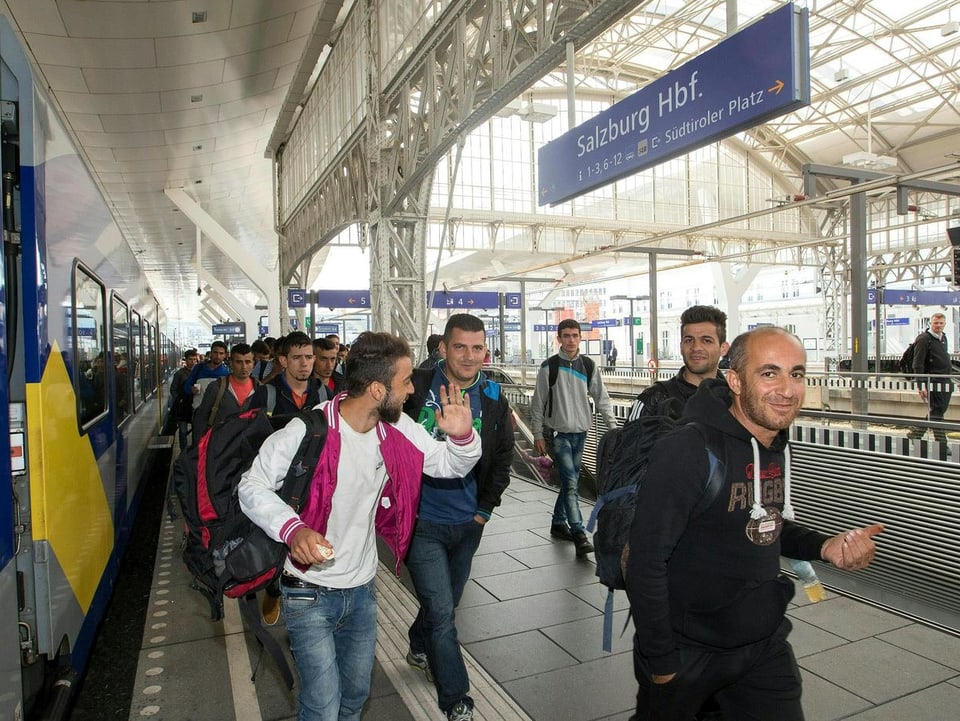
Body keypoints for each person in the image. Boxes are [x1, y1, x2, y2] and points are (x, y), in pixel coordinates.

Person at [625, 326, 884, 721]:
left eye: (796, 373)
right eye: (769, 373)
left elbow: (765, 521)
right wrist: (662, 664)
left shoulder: (774, 444)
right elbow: (645, 561)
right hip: (688, 651)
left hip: (762, 646)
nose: (787, 388)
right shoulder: (689, 450)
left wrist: (824, 546)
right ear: (736, 382)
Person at [238, 331, 481, 721]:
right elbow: (251, 486)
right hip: (308, 593)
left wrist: (462, 436)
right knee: (322, 703)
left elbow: (446, 465)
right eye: (404, 383)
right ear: (376, 389)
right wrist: (293, 529)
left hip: (363, 592)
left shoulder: (395, 428)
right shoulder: (308, 430)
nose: (410, 392)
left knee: (354, 696)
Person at [402, 314, 514, 721]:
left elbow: (502, 458)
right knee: (445, 615)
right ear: (443, 348)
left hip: (468, 523)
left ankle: (418, 643)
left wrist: (484, 510)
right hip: (422, 520)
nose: (470, 356)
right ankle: (456, 700)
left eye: (478, 348)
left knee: (443, 602)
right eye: (461, 347)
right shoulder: (413, 387)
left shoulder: (493, 397)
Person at [249, 331, 325, 624]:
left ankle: (304, 601)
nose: (305, 364)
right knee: (278, 542)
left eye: (309, 357)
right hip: (279, 485)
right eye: (297, 358)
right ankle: (273, 587)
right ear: (283, 361)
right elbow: (253, 439)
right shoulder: (266, 393)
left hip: (316, 483)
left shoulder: (322, 393)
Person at [529, 318, 617, 555]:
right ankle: (579, 532)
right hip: (559, 434)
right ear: (559, 338)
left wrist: (614, 427)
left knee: (571, 482)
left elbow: (602, 397)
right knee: (570, 483)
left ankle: (559, 523)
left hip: (581, 432)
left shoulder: (588, 365)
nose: (571, 340)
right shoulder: (549, 367)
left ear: (580, 337)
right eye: (566, 336)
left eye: (575, 335)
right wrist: (537, 433)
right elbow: (538, 403)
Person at [628, 305, 728, 422]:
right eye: (689, 340)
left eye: (706, 341)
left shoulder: (735, 399)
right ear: (681, 347)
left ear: (723, 348)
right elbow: (629, 439)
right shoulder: (654, 398)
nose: (696, 347)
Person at [907, 312, 953, 459]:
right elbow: (918, 363)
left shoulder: (942, 338)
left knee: (936, 411)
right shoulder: (923, 339)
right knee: (937, 412)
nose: (938, 326)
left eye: (941, 323)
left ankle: (916, 434)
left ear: (944, 324)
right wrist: (921, 385)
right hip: (933, 382)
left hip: (945, 381)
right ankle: (941, 444)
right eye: (935, 323)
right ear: (930, 324)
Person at [192, 342, 259, 443]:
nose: (244, 367)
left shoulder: (261, 389)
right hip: (219, 450)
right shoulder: (216, 388)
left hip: (250, 451)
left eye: (248, 362)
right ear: (231, 363)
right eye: (239, 362)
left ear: (253, 363)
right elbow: (201, 419)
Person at [183, 340, 229, 412]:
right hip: (198, 411)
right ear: (211, 353)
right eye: (215, 352)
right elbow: (186, 386)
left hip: (217, 413)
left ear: (225, 355)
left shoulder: (226, 373)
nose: (218, 356)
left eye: (221, 353)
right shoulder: (199, 368)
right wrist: (191, 389)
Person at [169, 349, 199, 450]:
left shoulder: (199, 373)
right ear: (185, 360)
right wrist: (179, 400)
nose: (193, 362)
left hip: (195, 405)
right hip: (183, 406)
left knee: (196, 430)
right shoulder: (179, 374)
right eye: (190, 359)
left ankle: (194, 451)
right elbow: (173, 389)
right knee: (182, 431)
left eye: (195, 359)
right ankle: (184, 452)